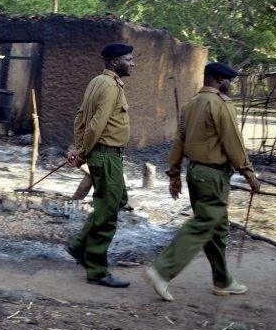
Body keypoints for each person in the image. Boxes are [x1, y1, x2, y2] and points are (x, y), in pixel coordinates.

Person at [144, 62, 260, 301]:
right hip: (213, 175)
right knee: (206, 223)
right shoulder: (220, 103)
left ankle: (222, 280)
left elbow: (179, 142)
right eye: (229, 81)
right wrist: (249, 174)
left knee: (216, 228)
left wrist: (174, 174)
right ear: (219, 79)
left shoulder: (190, 105)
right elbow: (233, 142)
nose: (231, 85)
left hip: (194, 172)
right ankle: (162, 271)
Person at [65, 43, 135, 288]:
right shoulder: (110, 86)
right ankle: (97, 270)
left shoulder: (97, 82)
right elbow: (95, 123)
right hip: (106, 155)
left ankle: (78, 244)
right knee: (107, 213)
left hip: (107, 156)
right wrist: (82, 151)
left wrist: (79, 147)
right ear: (115, 62)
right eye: (129, 59)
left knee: (118, 200)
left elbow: (80, 117)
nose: (133, 63)